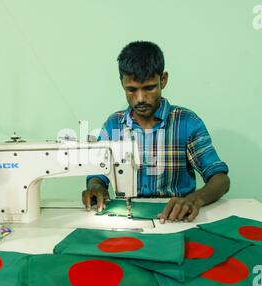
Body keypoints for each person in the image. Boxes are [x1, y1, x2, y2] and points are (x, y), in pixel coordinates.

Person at [82, 41, 230, 223]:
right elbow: (97, 173)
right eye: (132, 90)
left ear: (163, 80)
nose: (141, 98)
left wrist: (194, 200)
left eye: (149, 88)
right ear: (122, 83)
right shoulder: (113, 125)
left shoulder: (187, 122)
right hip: (126, 219)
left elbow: (220, 179)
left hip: (177, 219)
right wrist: (96, 186)